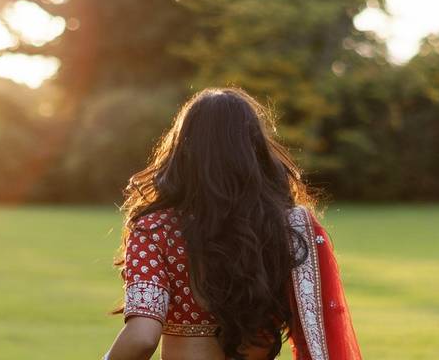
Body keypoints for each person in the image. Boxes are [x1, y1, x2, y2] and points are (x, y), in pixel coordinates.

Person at [102, 87, 362, 360]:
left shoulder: (155, 230)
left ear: (182, 149)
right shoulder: (282, 229)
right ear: (255, 151)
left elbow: (142, 338)